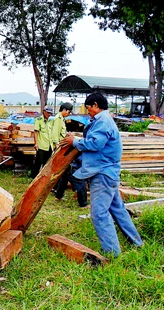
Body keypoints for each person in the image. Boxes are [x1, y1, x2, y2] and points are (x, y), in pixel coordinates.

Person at [59, 92, 143, 256]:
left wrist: (74, 141)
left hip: (103, 173)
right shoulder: (102, 120)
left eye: (89, 108)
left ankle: (113, 254)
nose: (88, 111)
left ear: (96, 105)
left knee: (99, 214)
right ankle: (137, 243)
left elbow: (96, 144)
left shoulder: (103, 121)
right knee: (118, 209)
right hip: (106, 172)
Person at [31, 105, 54, 178]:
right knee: (38, 162)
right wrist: (36, 143)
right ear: (44, 112)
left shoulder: (51, 121)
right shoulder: (38, 120)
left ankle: (43, 177)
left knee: (46, 163)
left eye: (50, 113)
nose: (49, 114)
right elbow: (36, 132)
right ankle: (33, 176)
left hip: (49, 145)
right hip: (41, 145)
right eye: (48, 113)